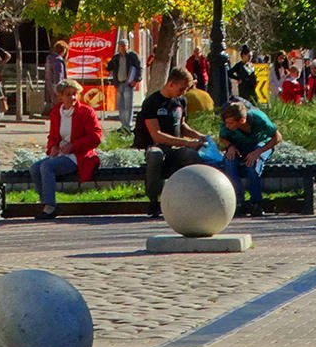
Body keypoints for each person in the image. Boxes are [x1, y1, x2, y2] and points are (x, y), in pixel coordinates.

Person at [134, 66, 208, 218]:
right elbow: (157, 135)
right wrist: (187, 142)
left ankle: (192, 198)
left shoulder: (180, 101)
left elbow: (182, 125)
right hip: (157, 146)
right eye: (181, 89)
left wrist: (199, 136)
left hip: (176, 147)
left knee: (193, 156)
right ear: (171, 84)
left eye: (186, 89)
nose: (183, 93)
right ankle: (154, 201)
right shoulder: (152, 102)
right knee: (155, 156)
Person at [30, 79, 102, 218]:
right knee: (35, 168)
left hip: (79, 156)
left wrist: (74, 146)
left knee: (47, 167)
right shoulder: (56, 112)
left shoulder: (86, 112)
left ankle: (50, 207)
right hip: (61, 154)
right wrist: (53, 148)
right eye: (68, 94)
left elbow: (96, 136)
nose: (73, 97)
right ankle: (45, 203)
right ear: (60, 96)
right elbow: (52, 136)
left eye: (75, 94)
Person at [215, 98, 281, 217]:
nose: (227, 126)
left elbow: (277, 137)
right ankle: (237, 201)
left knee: (252, 164)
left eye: (231, 123)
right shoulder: (226, 123)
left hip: (261, 145)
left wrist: (258, 152)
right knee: (229, 161)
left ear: (241, 120)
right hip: (239, 146)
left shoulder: (259, 118)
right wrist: (230, 146)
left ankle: (256, 203)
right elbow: (222, 137)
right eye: (226, 123)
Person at [113, 45, 142, 130]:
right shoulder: (116, 57)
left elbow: (139, 68)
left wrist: (136, 80)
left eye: (124, 46)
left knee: (128, 105)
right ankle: (123, 125)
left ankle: (128, 126)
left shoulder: (132, 56)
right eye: (120, 46)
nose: (122, 48)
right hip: (119, 83)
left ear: (127, 46)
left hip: (128, 83)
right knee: (121, 105)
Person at [43, 40, 67, 117]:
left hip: (49, 86)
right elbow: (59, 77)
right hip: (57, 88)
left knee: (54, 107)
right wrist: (60, 90)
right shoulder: (58, 62)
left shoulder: (49, 59)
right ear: (63, 50)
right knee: (59, 108)